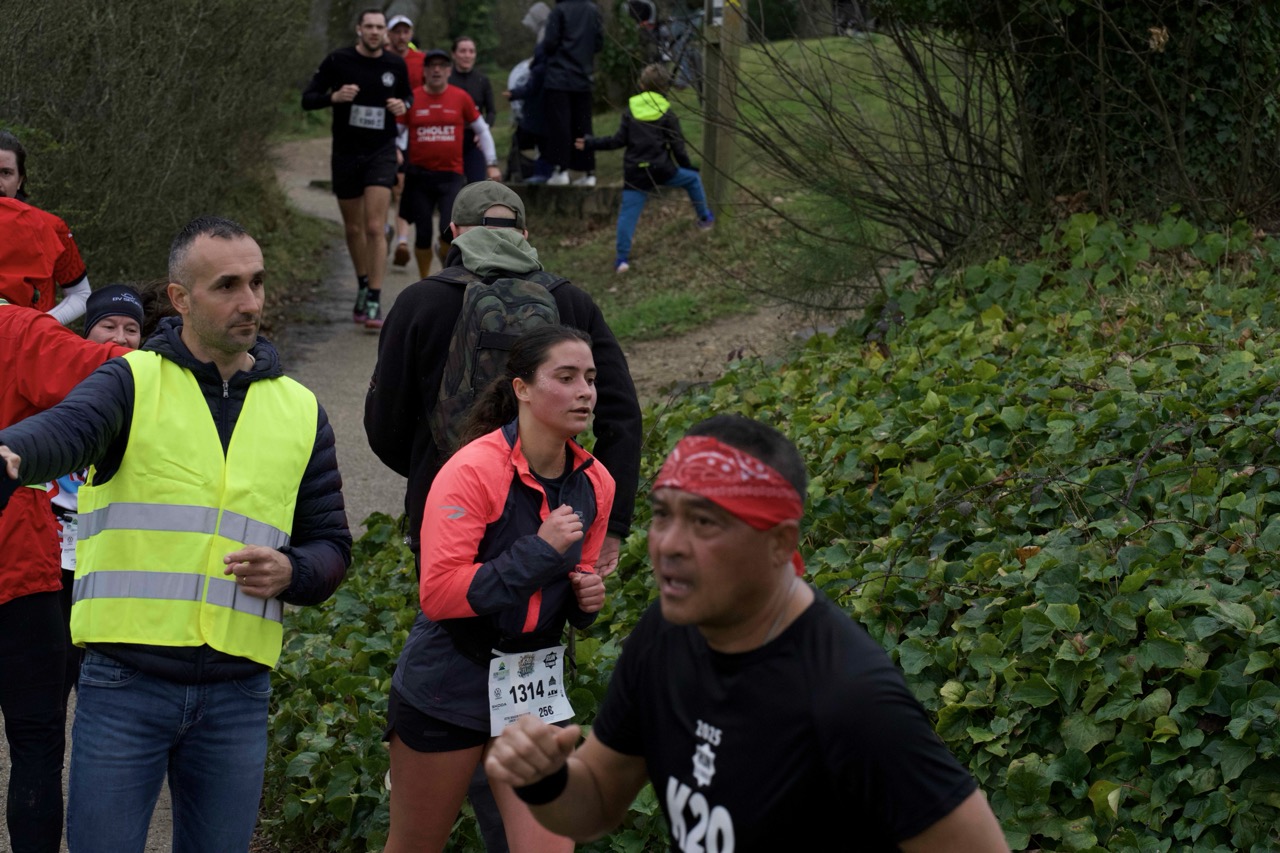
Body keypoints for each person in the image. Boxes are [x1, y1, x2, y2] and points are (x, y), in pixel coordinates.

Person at [485, 415, 1012, 851]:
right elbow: (598, 801)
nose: (669, 544)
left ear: (780, 543)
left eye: (705, 523)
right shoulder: (665, 636)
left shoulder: (851, 700)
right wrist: (546, 779)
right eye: (663, 515)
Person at [0, 216, 353, 853]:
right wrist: (12, 453)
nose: (249, 301)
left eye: (256, 282)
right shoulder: (129, 381)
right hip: (125, 688)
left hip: (238, 693)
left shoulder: (300, 409)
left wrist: (294, 571)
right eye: (227, 286)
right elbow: (64, 431)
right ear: (181, 299)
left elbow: (331, 544)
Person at [384, 325, 614, 853]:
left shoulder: (596, 481)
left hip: (531, 684)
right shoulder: (471, 470)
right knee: (416, 844)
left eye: (590, 378)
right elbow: (439, 593)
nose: (585, 391)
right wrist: (540, 551)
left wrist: (586, 599)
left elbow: (577, 576)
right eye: (566, 377)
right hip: (450, 681)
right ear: (522, 388)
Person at [365, 180, 641, 581]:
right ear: (524, 234)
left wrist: (439, 475)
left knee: (452, 611)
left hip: (448, 508)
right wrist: (610, 522)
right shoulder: (572, 302)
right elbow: (622, 414)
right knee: (547, 615)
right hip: (557, 513)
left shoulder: (419, 302)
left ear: (454, 232)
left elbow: (384, 426)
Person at [0, 281, 130, 853]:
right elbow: (116, 373)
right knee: (36, 740)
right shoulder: (15, 331)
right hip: (15, 566)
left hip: (20, 565)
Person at [47, 285, 146, 708]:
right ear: (86, 332)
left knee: (101, 676)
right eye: (108, 326)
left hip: (111, 552)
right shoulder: (53, 382)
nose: (120, 337)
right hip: (54, 550)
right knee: (54, 671)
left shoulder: (148, 390)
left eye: (131, 329)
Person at [302, 8, 412, 329]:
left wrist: (403, 105)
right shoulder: (339, 60)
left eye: (380, 27)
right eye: (370, 26)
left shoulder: (395, 64)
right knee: (353, 229)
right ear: (359, 29)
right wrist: (334, 97)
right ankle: (363, 284)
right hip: (347, 154)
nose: (375, 31)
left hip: (381, 152)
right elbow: (308, 98)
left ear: (385, 32)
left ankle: (375, 298)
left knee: (375, 226)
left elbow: (407, 96)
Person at [577, 63, 713, 274]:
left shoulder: (631, 110)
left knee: (627, 215)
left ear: (641, 84)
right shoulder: (667, 112)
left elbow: (617, 141)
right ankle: (705, 219)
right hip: (663, 170)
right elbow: (678, 147)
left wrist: (590, 143)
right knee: (692, 179)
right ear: (665, 87)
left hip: (636, 173)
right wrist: (688, 167)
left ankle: (622, 260)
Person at [394, 49, 502, 279]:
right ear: (424, 71)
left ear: (448, 71)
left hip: (451, 175)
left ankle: (444, 273)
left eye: (441, 66)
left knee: (448, 230)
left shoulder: (460, 97)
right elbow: (397, 131)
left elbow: (482, 130)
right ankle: (425, 280)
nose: (436, 70)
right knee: (422, 233)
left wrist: (491, 163)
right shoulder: (412, 99)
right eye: (431, 66)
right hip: (419, 177)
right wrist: (394, 151)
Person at [0, 131, 92, 324]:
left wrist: (40, 324)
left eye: (5, 173)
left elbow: (81, 294)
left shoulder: (51, 227)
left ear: (20, 180)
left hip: (30, 339)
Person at [541, 0, 603, 186]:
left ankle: (561, 170)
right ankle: (588, 171)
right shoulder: (593, 11)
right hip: (583, 76)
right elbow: (598, 43)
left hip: (559, 77)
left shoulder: (559, 11)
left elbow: (549, 43)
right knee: (584, 125)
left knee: (560, 125)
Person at [386, 13, 424, 268]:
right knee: (383, 186)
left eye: (405, 32)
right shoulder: (379, 58)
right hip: (382, 129)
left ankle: (401, 240)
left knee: (402, 185)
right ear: (389, 34)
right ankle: (385, 230)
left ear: (410, 34)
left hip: (411, 130)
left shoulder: (420, 60)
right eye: (397, 32)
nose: (401, 37)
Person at [449, 35, 498, 184]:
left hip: (474, 138)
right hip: (451, 139)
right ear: (454, 54)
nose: (467, 55)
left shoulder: (482, 80)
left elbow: (491, 111)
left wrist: (484, 130)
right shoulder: (447, 79)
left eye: (471, 51)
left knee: (476, 184)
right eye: (463, 51)